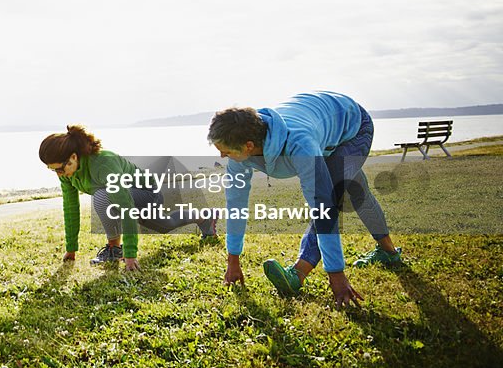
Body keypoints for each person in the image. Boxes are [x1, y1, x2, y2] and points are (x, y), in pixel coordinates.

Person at [208, 91, 403, 309]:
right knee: (357, 192)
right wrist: (233, 259)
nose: (222, 157)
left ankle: (298, 274)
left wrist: (336, 273)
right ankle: (389, 253)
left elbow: (322, 206)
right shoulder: (240, 156)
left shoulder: (300, 146)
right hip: (319, 125)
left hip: (352, 126)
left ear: (249, 146)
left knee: (333, 194)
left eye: (225, 151)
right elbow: (236, 205)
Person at [39, 125, 218, 272]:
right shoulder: (67, 174)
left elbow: (126, 207)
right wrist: (71, 249)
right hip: (123, 198)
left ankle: (114, 249)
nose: (58, 174)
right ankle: (203, 217)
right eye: (52, 170)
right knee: (166, 224)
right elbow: (71, 208)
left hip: (147, 194)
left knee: (102, 196)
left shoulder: (103, 163)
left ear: (73, 157)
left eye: (59, 169)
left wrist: (130, 254)